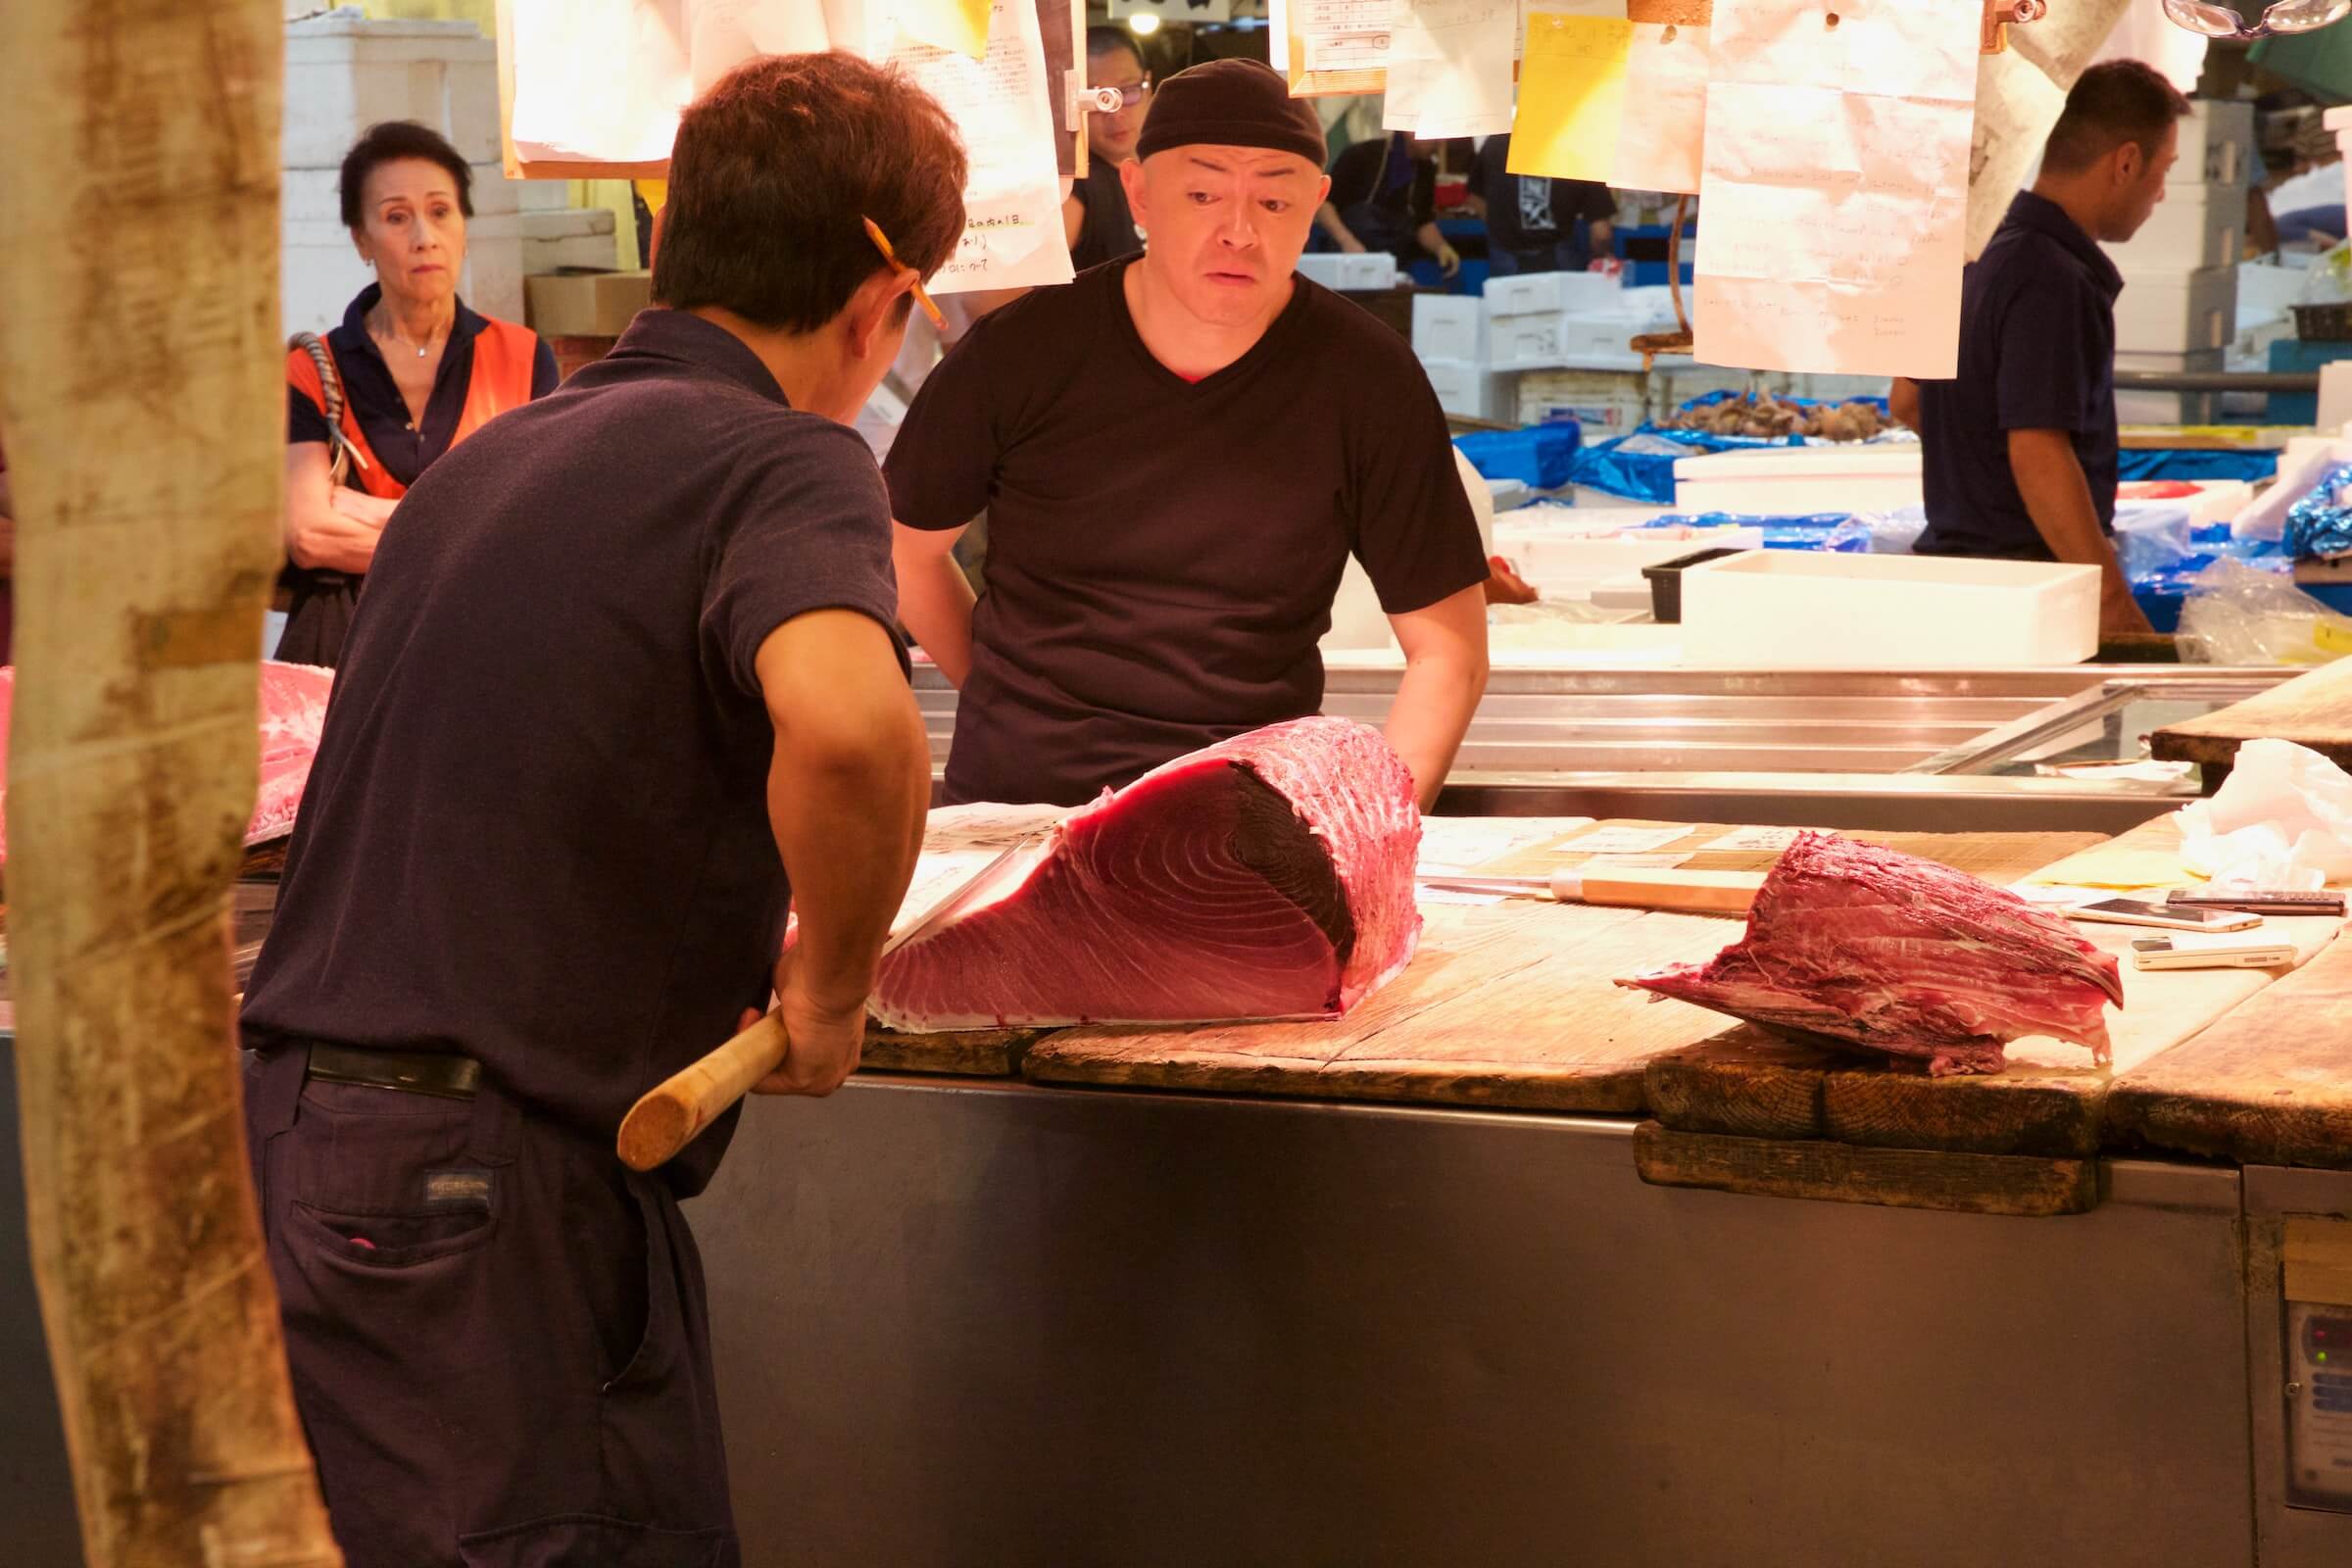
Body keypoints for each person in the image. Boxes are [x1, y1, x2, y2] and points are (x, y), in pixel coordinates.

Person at [238, 52, 956, 1566]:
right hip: (483, 1199)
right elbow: (854, 734)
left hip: (305, 1158)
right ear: (876, 310)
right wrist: (830, 990)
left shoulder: (481, 471)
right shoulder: (786, 460)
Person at [891, 58, 1491, 810]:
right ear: (1139, 191)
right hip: (1019, 810)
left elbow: (1450, 649)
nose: (1238, 232)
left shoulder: (1368, 379)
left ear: (1316, 205)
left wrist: (1378, 831)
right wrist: (1003, 691)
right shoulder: (1024, 351)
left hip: (1246, 823)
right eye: (1202, 194)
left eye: (1274, 200)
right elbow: (904, 545)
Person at [1893, 60, 2188, 639]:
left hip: (1956, 589)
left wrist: (1978, 475)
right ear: (2126, 162)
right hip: (2026, 604)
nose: (2161, 193)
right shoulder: (2056, 279)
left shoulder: (1980, 246)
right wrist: (2115, 610)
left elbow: (1905, 400)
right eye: (2164, 170)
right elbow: (2038, 452)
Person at [281, 121, 560, 666]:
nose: (423, 237)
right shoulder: (313, 369)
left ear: (463, 226)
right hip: (346, 652)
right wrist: (468, 533)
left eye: (439, 211)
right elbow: (311, 536)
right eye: (395, 216)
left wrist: (359, 507)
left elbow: (535, 532)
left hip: (484, 647)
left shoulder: (523, 358)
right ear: (361, 238)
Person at [1316, 129, 1463, 278]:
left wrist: (1441, 247)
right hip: (1348, 264)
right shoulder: (1362, 154)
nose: (1439, 143)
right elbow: (1324, 204)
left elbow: (1422, 222)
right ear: (1410, 133)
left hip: (1394, 267)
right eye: (1434, 136)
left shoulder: (1426, 169)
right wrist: (1347, 241)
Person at [1064, 24, 1151, 270]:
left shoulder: (1169, 170)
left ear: (1148, 84)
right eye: (1097, 97)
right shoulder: (1074, 185)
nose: (1115, 112)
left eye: (1127, 91)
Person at [1469, 133, 1617, 276]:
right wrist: (1601, 256)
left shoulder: (1496, 142)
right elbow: (1601, 233)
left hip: (1505, 258)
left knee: (1508, 300)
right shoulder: (1579, 149)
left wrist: (1502, 227)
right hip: (1559, 262)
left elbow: (1475, 198)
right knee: (1560, 302)